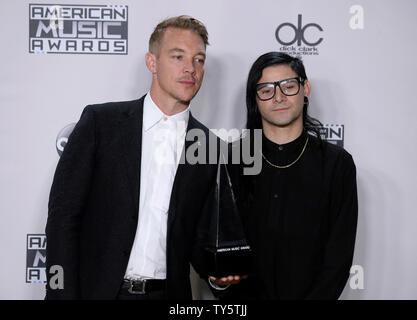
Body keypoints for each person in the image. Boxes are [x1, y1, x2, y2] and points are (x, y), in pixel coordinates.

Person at [45, 15, 219, 300]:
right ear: (152, 63)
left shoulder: (210, 144)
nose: (191, 69)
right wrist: (59, 293)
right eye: (178, 56)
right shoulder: (100, 123)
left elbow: (201, 238)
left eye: (199, 60)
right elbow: (63, 219)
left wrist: (221, 276)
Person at [211, 52, 358, 300]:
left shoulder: (336, 164)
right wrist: (220, 281)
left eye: (289, 87)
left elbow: (338, 257)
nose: (278, 97)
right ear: (254, 99)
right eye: (266, 90)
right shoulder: (231, 160)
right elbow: (220, 246)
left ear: (305, 89)